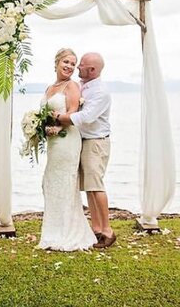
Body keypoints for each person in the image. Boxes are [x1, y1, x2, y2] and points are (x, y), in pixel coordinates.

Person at [38, 48, 97, 251]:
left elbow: (73, 113)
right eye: (66, 62)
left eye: (73, 64)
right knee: (50, 182)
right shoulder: (50, 88)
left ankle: (67, 233)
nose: (70, 67)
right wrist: (41, 128)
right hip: (53, 142)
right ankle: (53, 231)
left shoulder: (72, 86)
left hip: (67, 140)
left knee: (64, 182)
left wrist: (58, 126)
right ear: (56, 62)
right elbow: (44, 114)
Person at [54, 52, 115, 249]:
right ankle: (96, 229)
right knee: (88, 186)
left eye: (81, 65)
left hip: (96, 142)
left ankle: (108, 231)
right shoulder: (82, 86)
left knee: (96, 186)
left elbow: (86, 117)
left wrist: (58, 117)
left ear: (92, 70)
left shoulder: (101, 92)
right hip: (83, 141)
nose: (77, 67)